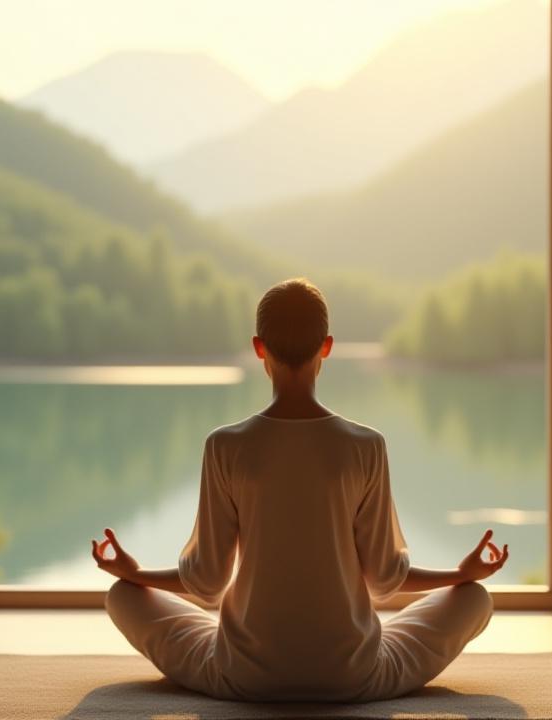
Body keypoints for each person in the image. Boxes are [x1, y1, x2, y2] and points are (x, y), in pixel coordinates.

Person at [92, 278, 508, 702]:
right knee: (473, 600)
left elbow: (207, 582)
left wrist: (135, 574)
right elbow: (385, 580)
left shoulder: (226, 446)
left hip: (243, 675)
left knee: (123, 597)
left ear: (259, 348)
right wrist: (462, 574)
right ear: (326, 346)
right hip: (353, 677)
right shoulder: (365, 446)